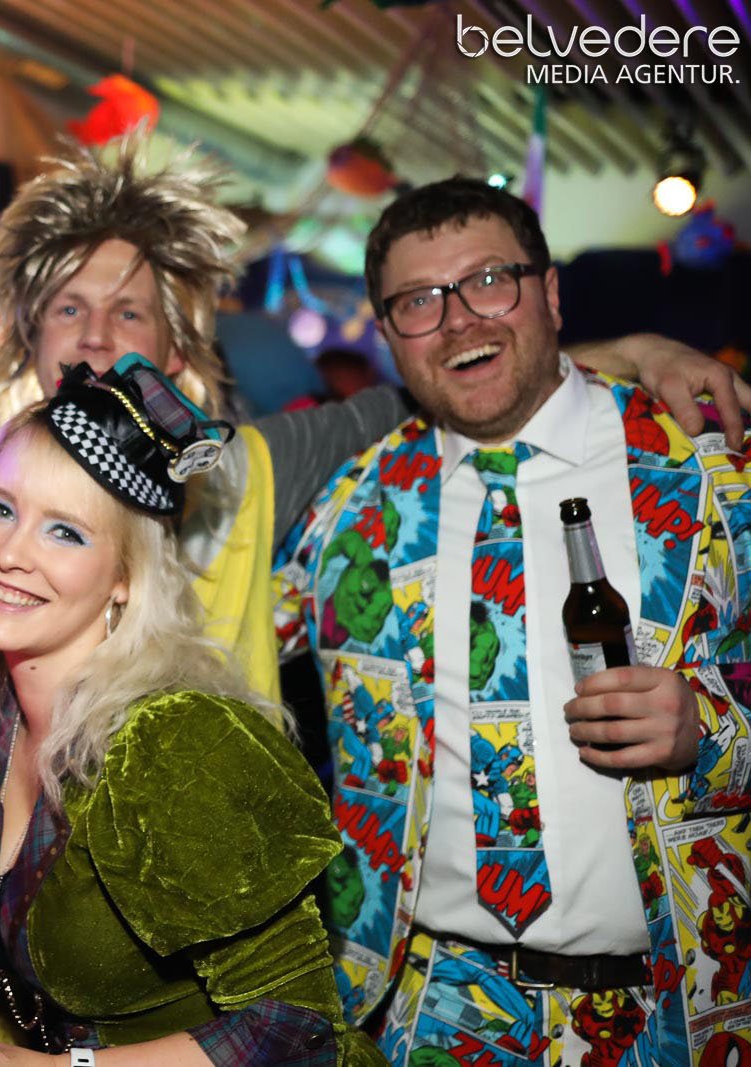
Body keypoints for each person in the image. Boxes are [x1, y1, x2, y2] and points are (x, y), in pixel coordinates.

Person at [0, 131, 751, 708]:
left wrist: (626, 350)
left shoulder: (245, 476)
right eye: (68, 308)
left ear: (175, 353)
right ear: (32, 337)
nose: (96, 336)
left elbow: (444, 380)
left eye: (129, 312)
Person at [275, 177, 751, 1063]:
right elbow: (185, 647)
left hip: (686, 1009)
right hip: (435, 1013)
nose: (459, 321)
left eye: (490, 281)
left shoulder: (711, 467)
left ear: (551, 293)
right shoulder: (351, 510)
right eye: (419, 301)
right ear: (388, 335)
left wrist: (711, 730)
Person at [0, 357, 382, 1066]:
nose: (11, 553)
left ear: (124, 578)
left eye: (65, 531)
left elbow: (294, 1028)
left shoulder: (174, 743)